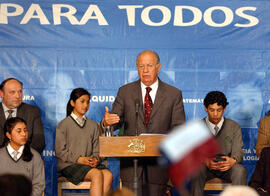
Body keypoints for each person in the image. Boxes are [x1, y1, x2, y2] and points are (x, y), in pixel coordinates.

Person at [102, 50, 186, 196]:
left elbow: (179, 127)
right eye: (141, 66)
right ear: (137, 68)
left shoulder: (173, 94)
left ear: (158, 68)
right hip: (131, 165)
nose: (145, 70)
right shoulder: (125, 92)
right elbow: (114, 120)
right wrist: (107, 122)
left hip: (159, 165)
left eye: (149, 66)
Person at [55, 88, 113, 196]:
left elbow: (97, 149)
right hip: (69, 165)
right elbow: (59, 151)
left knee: (108, 174)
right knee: (96, 174)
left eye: (88, 102)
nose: (85, 105)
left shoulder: (92, 125)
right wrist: (79, 159)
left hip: (88, 165)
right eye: (82, 101)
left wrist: (96, 159)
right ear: (72, 103)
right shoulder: (63, 125)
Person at [190, 91, 247, 196]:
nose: (215, 114)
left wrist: (232, 160)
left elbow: (238, 151)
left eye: (219, 110)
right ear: (205, 108)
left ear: (224, 109)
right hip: (205, 167)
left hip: (227, 167)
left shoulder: (234, 126)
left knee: (240, 171)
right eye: (212, 110)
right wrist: (205, 161)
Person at [0, 117, 45, 196]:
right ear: (8, 135)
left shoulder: (35, 156)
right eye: (19, 131)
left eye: (25, 130)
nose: (24, 134)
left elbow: (39, 185)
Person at [0, 78, 45, 153]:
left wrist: (20, 157)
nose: (17, 96)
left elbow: (39, 141)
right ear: (1, 94)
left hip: (25, 160)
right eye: (12, 92)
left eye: (20, 91)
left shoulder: (33, 112)